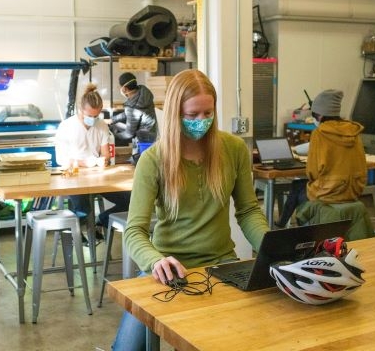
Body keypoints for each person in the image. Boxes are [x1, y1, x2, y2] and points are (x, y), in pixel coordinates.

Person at [111, 69, 270, 350]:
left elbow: (247, 211)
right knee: (128, 348)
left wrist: (271, 248)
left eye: (207, 114)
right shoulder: (154, 160)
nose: (202, 122)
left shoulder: (233, 150)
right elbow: (134, 231)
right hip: (166, 271)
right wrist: (155, 261)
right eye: (192, 115)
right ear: (174, 114)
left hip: (222, 264)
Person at [275, 89, 367, 228]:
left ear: (319, 115)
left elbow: (312, 173)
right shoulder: (354, 132)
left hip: (329, 194)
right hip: (354, 190)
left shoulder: (320, 133)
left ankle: (291, 228)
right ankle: (283, 224)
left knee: (297, 187)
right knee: (301, 188)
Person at [54, 83, 128, 242]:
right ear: (80, 110)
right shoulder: (66, 127)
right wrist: (86, 163)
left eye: (96, 116)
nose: (93, 119)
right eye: (90, 116)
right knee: (83, 209)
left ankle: (101, 221)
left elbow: (105, 154)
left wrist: (103, 160)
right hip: (74, 179)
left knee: (129, 199)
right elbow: (62, 160)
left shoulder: (100, 126)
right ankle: (76, 233)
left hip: (98, 178)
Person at [109, 72, 158, 148]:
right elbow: (129, 114)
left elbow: (128, 134)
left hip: (143, 140)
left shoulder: (133, 106)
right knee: (114, 125)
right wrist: (112, 120)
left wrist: (110, 137)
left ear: (124, 89)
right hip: (152, 133)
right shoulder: (143, 93)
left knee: (112, 131)